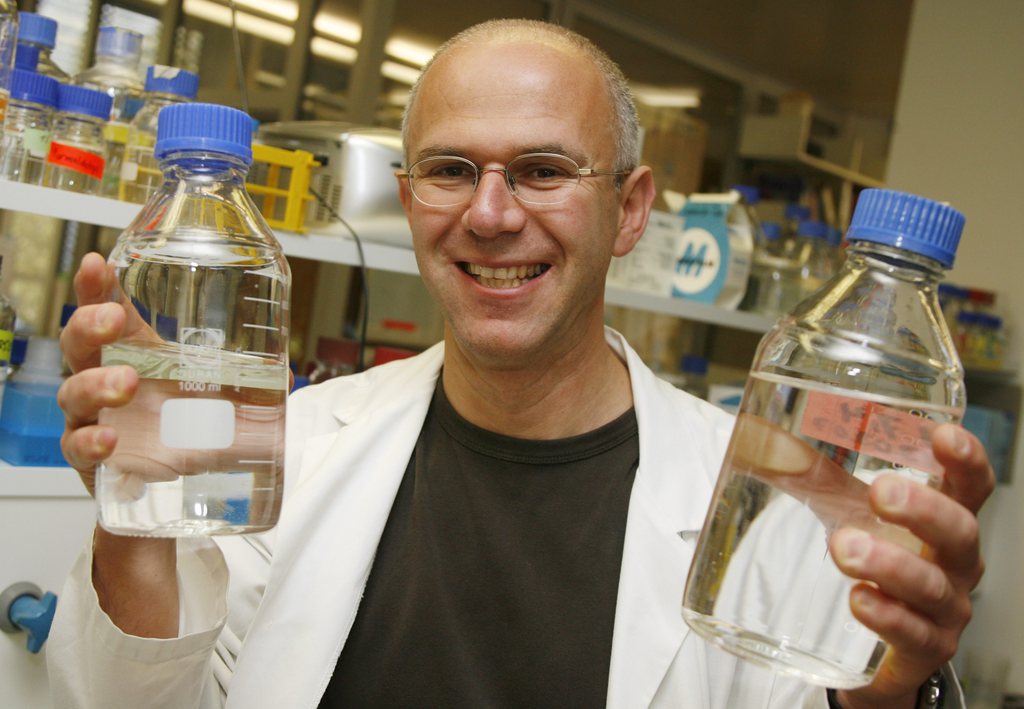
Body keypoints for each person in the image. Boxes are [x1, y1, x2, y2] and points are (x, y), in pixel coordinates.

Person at [50, 18, 993, 709]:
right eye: (451, 169)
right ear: (411, 196)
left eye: (543, 170)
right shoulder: (284, 450)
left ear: (630, 209)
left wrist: (893, 684)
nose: (492, 214)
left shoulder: (755, 504)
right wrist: (135, 516)